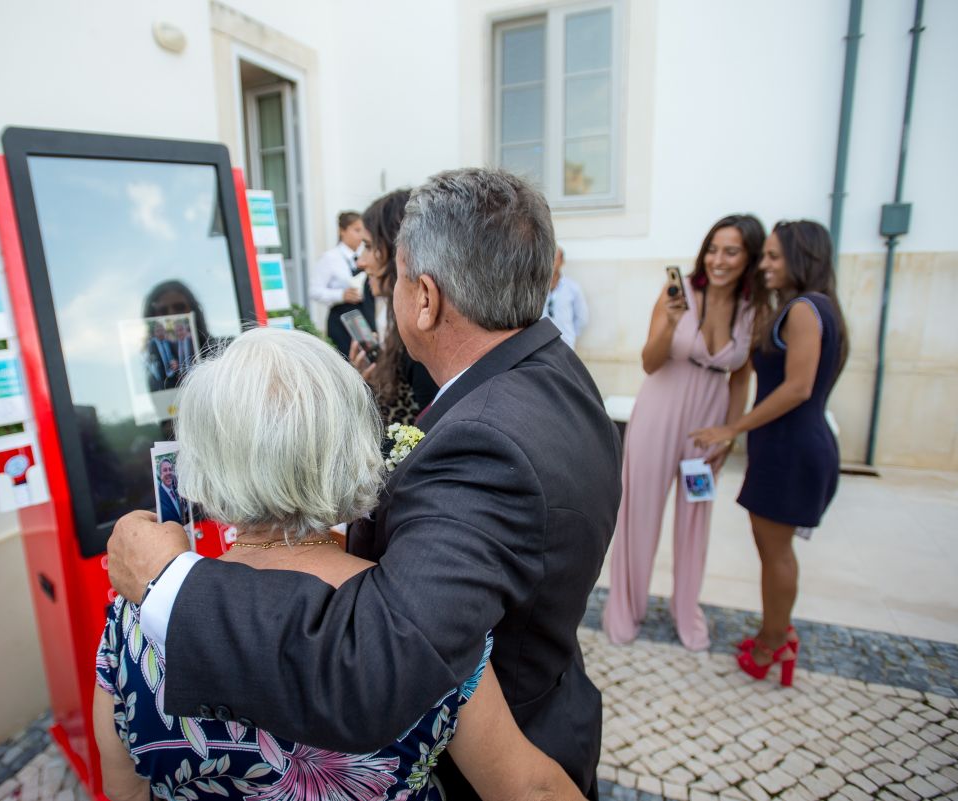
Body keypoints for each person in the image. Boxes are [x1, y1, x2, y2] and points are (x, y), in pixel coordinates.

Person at [106, 168, 622, 799]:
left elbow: (375, 662)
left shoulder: (486, 444)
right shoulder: (553, 372)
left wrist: (170, 585)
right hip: (540, 703)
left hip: (521, 727)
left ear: (424, 297)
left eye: (394, 275)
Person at [93, 328, 586, 801]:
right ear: (351, 449)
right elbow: (526, 788)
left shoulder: (138, 617)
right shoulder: (418, 617)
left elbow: (125, 787)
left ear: (203, 463)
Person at [692, 220, 849, 686]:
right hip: (788, 446)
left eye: (774, 257)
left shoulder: (802, 309)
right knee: (772, 550)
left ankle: (774, 644)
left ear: (806, 259)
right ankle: (773, 632)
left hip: (791, 448)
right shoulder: (819, 308)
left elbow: (797, 387)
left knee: (775, 553)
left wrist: (731, 427)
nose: (765, 265)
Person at [603, 214, 764, 651]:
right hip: (658, 416)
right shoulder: (679, 294)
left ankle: (685, 611)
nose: (718, 259)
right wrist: (672, 323)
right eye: (713, 248)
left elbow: (740, 378)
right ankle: (625, 609)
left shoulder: (753, 310)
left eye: (731, 251)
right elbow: (650, 362)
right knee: (640, 515)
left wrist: (729, 434)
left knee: (696, 517)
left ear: (748, 257)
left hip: (706, 428)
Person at [348, 189, 438, 426]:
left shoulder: (421, 332)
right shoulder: (395, 318)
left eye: (368, 246)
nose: (361, 261)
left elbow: (422, 431)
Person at [310, 211, 369, 356]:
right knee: (345, 360)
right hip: (341, 318)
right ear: (342, 231)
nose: (361, 236)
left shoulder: (366, 254)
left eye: (363, 230)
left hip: (365, 315)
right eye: (356, 230)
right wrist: (341, 295)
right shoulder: (330, 258)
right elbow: (314, 290)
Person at [542, 247, 588, 349]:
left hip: (565, 344)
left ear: (562, 261)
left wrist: (570, 336)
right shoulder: (537, 287)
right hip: (541, 345)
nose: (551, 262)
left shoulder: (572, 288)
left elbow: (582, 317)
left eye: (554, 258)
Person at [155, 456, 183, 525]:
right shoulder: (158, 497)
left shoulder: (177, 491)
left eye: (170, 469)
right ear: (160, 474)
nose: (168, 473)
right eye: (165, 470)